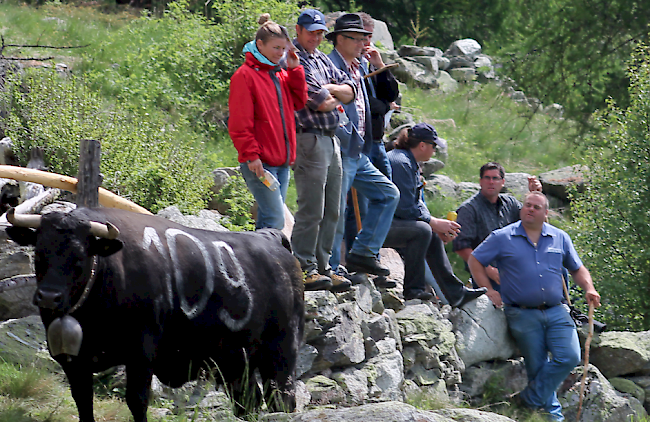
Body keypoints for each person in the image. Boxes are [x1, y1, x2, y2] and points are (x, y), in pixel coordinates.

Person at [468, 191, 601, 421]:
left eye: (536, 207)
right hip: (522, 313)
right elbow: (475, 260)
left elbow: (577, 268)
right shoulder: (503, 236)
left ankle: (527, 400)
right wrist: (487, 289)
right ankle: (553, 417)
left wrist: (589, 288)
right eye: (527, 205)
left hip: (557, 309)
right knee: (537, 366)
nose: (530, 209)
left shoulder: (560, 237)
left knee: (569, 356)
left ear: (545, 213)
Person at [326, 13, 400, 277]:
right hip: (341, 150)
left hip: (361, 151)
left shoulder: (359, 66)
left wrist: (379, 65)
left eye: (364, 38)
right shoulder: (330, 65)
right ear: (340, 39)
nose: (362, 44)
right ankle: (331, 268)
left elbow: (389, 96)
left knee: (388, 194)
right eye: (356, 39)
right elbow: (325, 105)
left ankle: (363, 253)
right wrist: (345, 135)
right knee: (336, 210)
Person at [383, 123, 487, 305]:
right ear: (422, 145)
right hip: (376, 225)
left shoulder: (408, 161)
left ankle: (456, 294)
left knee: (428, 231)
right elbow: (404, 207)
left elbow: (416, 204)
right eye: (434, 146)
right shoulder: (400, 163)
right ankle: (413, 290)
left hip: (389, 221)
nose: (434, 151)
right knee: (423, 230)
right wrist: (433, 222)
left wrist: (435, 224)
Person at [289, 9, 354, 292]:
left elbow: (351, 90)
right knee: (312, 207)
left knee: (333, 209)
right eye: (311, 31)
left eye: (319, 32)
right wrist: (333, 94)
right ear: (299, 30)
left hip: (332, 138)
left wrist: (332, 90)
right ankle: (303, 266)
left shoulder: (323, 58)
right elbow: (320, 102)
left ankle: (325, 266)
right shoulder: (294, 59)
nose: (316, 37)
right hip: (309, 138)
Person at [228, 14, 307, 231]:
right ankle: (269, 264)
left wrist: (295, 70)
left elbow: (299, 102)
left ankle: (258, 265)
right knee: (275, 220)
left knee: (267, 220)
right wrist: (251, 156)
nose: (281, 53)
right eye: (276, 48)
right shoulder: (244, 76)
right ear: (259, 44)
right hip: (261, 163)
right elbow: (239, 123)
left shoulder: (279, 73)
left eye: (283, 48)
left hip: (281, 162)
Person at [453, 162, 542, 291]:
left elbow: (534, 224)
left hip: (515, 266)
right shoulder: (469, 209)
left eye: (495, 178)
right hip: (487, 273)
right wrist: (487, 269)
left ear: (503, 182)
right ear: (480, 182)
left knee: (555, 268)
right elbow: (461, 247)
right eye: (487, 178)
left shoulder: (510, 203)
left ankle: (565, 306)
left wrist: (536, 195)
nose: (491, 182)